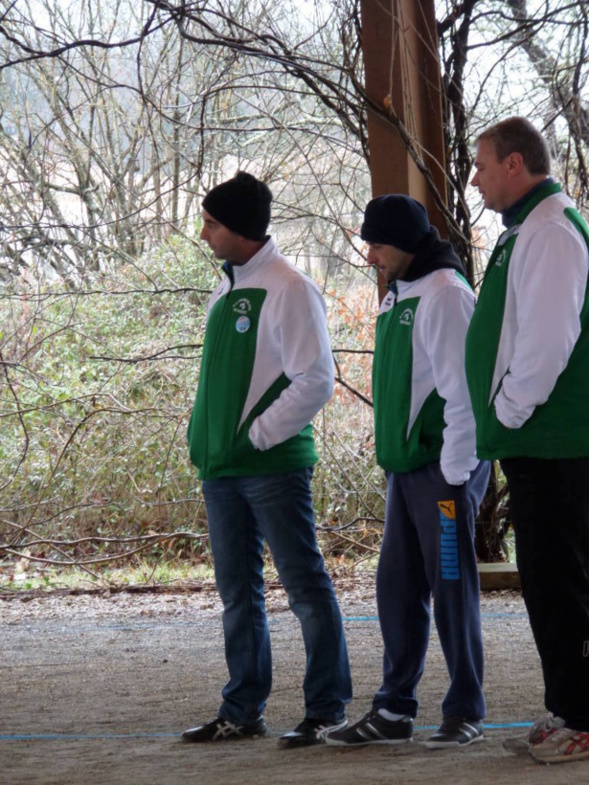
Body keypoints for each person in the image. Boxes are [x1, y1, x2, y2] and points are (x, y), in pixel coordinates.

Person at [181, 171, 352, 749]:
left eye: (212, 223)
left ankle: (326, 709)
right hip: (222, 470)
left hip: (271, 467)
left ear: (241, 229)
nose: (204, 233)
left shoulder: (289, 288)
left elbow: (316, 380)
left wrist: (257, 437)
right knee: (237, 592)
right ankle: (243, 708)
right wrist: (203, 438)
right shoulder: (224, 289)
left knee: (304, 587)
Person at [326, 195, 490, 750]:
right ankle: (394, 710)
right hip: (408, 472)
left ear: (401, 241)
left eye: (375, 243)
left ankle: (465, 709)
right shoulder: (400, 291)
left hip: (443, 473)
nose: (369, 254)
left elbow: (464, 394)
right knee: (396, 589)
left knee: (451, 589)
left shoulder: (445, 295)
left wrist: (454, 475)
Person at [465, 116, 589, 764]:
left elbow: (546, 338)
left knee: (563, 580)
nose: (475, 178)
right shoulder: (526, 231)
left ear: (515, 164)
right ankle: (567, 705)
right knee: (547, 580)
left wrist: (509, 409)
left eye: (482, 165)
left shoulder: (549, 231)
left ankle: (582, 716)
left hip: (554, 437)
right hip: (538, 438)